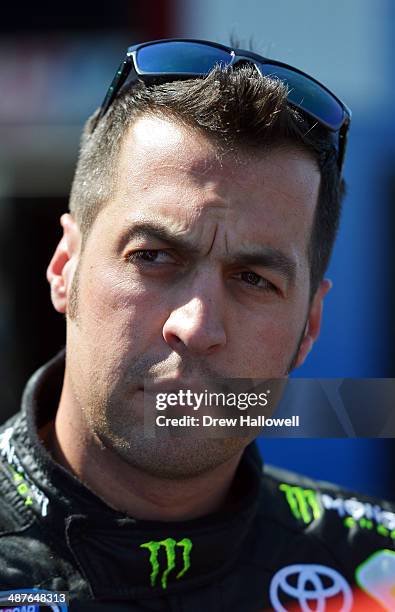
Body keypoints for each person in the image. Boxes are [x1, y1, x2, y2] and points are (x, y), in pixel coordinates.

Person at [0, 39, 393, 611]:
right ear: (66, 268)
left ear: (309, 327)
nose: (197, 325)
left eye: (254, 279)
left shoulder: (372, 574)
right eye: (153, 256)